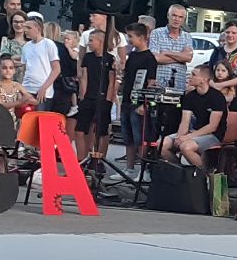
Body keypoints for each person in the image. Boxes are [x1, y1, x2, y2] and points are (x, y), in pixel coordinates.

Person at [109, 22, 158, 180]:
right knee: (128, 137)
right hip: (127, 99)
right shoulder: (133, 56)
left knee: (141, 138)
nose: (129, 40)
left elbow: (151, 82)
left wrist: (145, 103)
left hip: (139, 102)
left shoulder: (149, 58)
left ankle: (144, 170)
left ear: (142, 37)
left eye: (131, 37)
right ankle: (129, 169)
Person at [160, 65, 228, 168]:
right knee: (161, 145)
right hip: (192, 132)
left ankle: (204, 174)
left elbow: (212, 127)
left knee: (186, 147)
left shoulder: (217, 97)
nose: (190, 77)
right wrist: (179, 137)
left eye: (194, 75)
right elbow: (185, 122)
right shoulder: (190, 96)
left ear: (204, 79)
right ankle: (181, 171)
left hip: (213, 135)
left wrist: (187, 137)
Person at [0, 56, 37, 191]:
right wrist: (20, 102)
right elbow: (0, 105)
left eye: (10, 68)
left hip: (12, 124)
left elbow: (32, 100)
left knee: (5, 156)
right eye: (4, 68)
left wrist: (31, 99)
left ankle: (2, 187)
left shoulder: (17, 86)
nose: (8, 70)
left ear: (14, 70)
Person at [76, 30, 116, 164]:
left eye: (91, 40)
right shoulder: (88, 57)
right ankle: (81, 159)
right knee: (81, 129)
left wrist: (108, 100)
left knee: (102, 131)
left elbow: (111, 82)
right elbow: (84, 78)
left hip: (103, 98)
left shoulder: (109, 59)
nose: (89, 43)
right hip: (88, 97)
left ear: (100, 42)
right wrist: (83, 97)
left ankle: (100, 160)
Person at [207, 20, 237, 113]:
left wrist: (221, 85)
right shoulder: (217, 51)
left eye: (234, 33)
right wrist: (213, 84)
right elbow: (209, 72)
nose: (230, 35)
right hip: (216, 94)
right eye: (227, 32)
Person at [149, 5, 193, 96]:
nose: (177, 19)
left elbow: (188, 57)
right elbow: (156, 58)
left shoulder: (187, 36)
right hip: (159, 83)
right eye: (174, 15)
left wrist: (166, 53)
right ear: (168, 16)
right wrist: (180, 57)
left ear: (184, 19)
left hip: (179, 85)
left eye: (180, 17)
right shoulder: (156, 33)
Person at [0, 10, 27, 82]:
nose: (18, 25)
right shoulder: (6, 40)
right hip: (10, 79)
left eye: (21, 22)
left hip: (28, 80)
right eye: (15, 22)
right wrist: (23, 60)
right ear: (11, 23)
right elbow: (3, 59)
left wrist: (14, 58)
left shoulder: (31, 42)